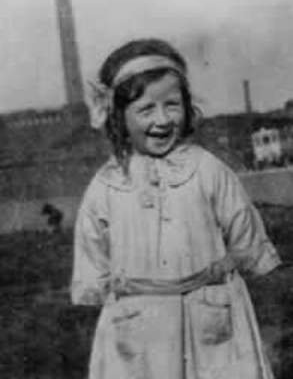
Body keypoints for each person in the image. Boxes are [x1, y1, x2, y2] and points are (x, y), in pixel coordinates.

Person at [71, 39, 280, 379]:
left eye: (172, 105)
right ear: (118, 117)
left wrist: (245, 261)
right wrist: (95, 285)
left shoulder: (207, 169)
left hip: (211, 310)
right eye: (146, 110)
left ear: (187, 107)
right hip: (139, 320)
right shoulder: (106, 186)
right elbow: (91, 251)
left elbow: (243, 227)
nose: (162, 119)